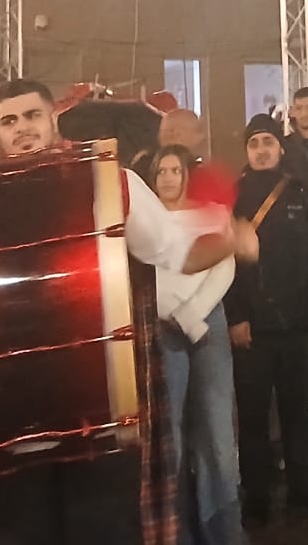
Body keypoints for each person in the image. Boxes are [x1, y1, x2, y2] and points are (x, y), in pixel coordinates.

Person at [0, 77, 257, 545]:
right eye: (9, 121)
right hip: (5, 422)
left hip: (96, 417)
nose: (23, 129)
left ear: (53, 119)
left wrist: (231, 242)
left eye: (32, 116)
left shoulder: (108, 181)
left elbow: (178, 252)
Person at [130, 143, 244, 545]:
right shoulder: (145, 222)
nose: (167, 178)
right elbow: (146, 280)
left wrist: (193, 314)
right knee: (170, 436)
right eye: (161, 171)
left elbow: (223, 264)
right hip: (163, 326)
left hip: (206, 322)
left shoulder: (208, 214)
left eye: (175, 170)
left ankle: (224, 531)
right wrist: (176, 315)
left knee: (216, 432)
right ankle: (176, 531)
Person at [226, 114, 308, 525]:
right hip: (252, 329)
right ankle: (256, 496)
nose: (261, 150)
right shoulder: (233, 196)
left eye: (267, 143)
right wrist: (236, 317)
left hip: (297, 324)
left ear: (279, 147)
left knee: (297, 412)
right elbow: (227, 263)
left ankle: (305, 488)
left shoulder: (300, 192)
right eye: (254, 143)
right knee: (254, 418)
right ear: (246, 150)